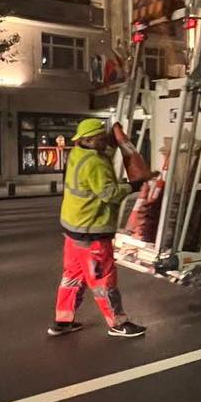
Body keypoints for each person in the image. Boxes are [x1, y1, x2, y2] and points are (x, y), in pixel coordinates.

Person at [49, 118, 147, 338]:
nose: (105, 142)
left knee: (72, 276)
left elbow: (103, 153)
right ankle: (118, 324)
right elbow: (109, 194)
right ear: (90, 140)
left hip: (73, 229)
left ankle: (62, 322)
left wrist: (116, 138)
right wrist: (133, 186)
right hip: (92, 231)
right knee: (104, 280)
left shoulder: (77, 154)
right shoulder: (96, 163)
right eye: (101, 139)